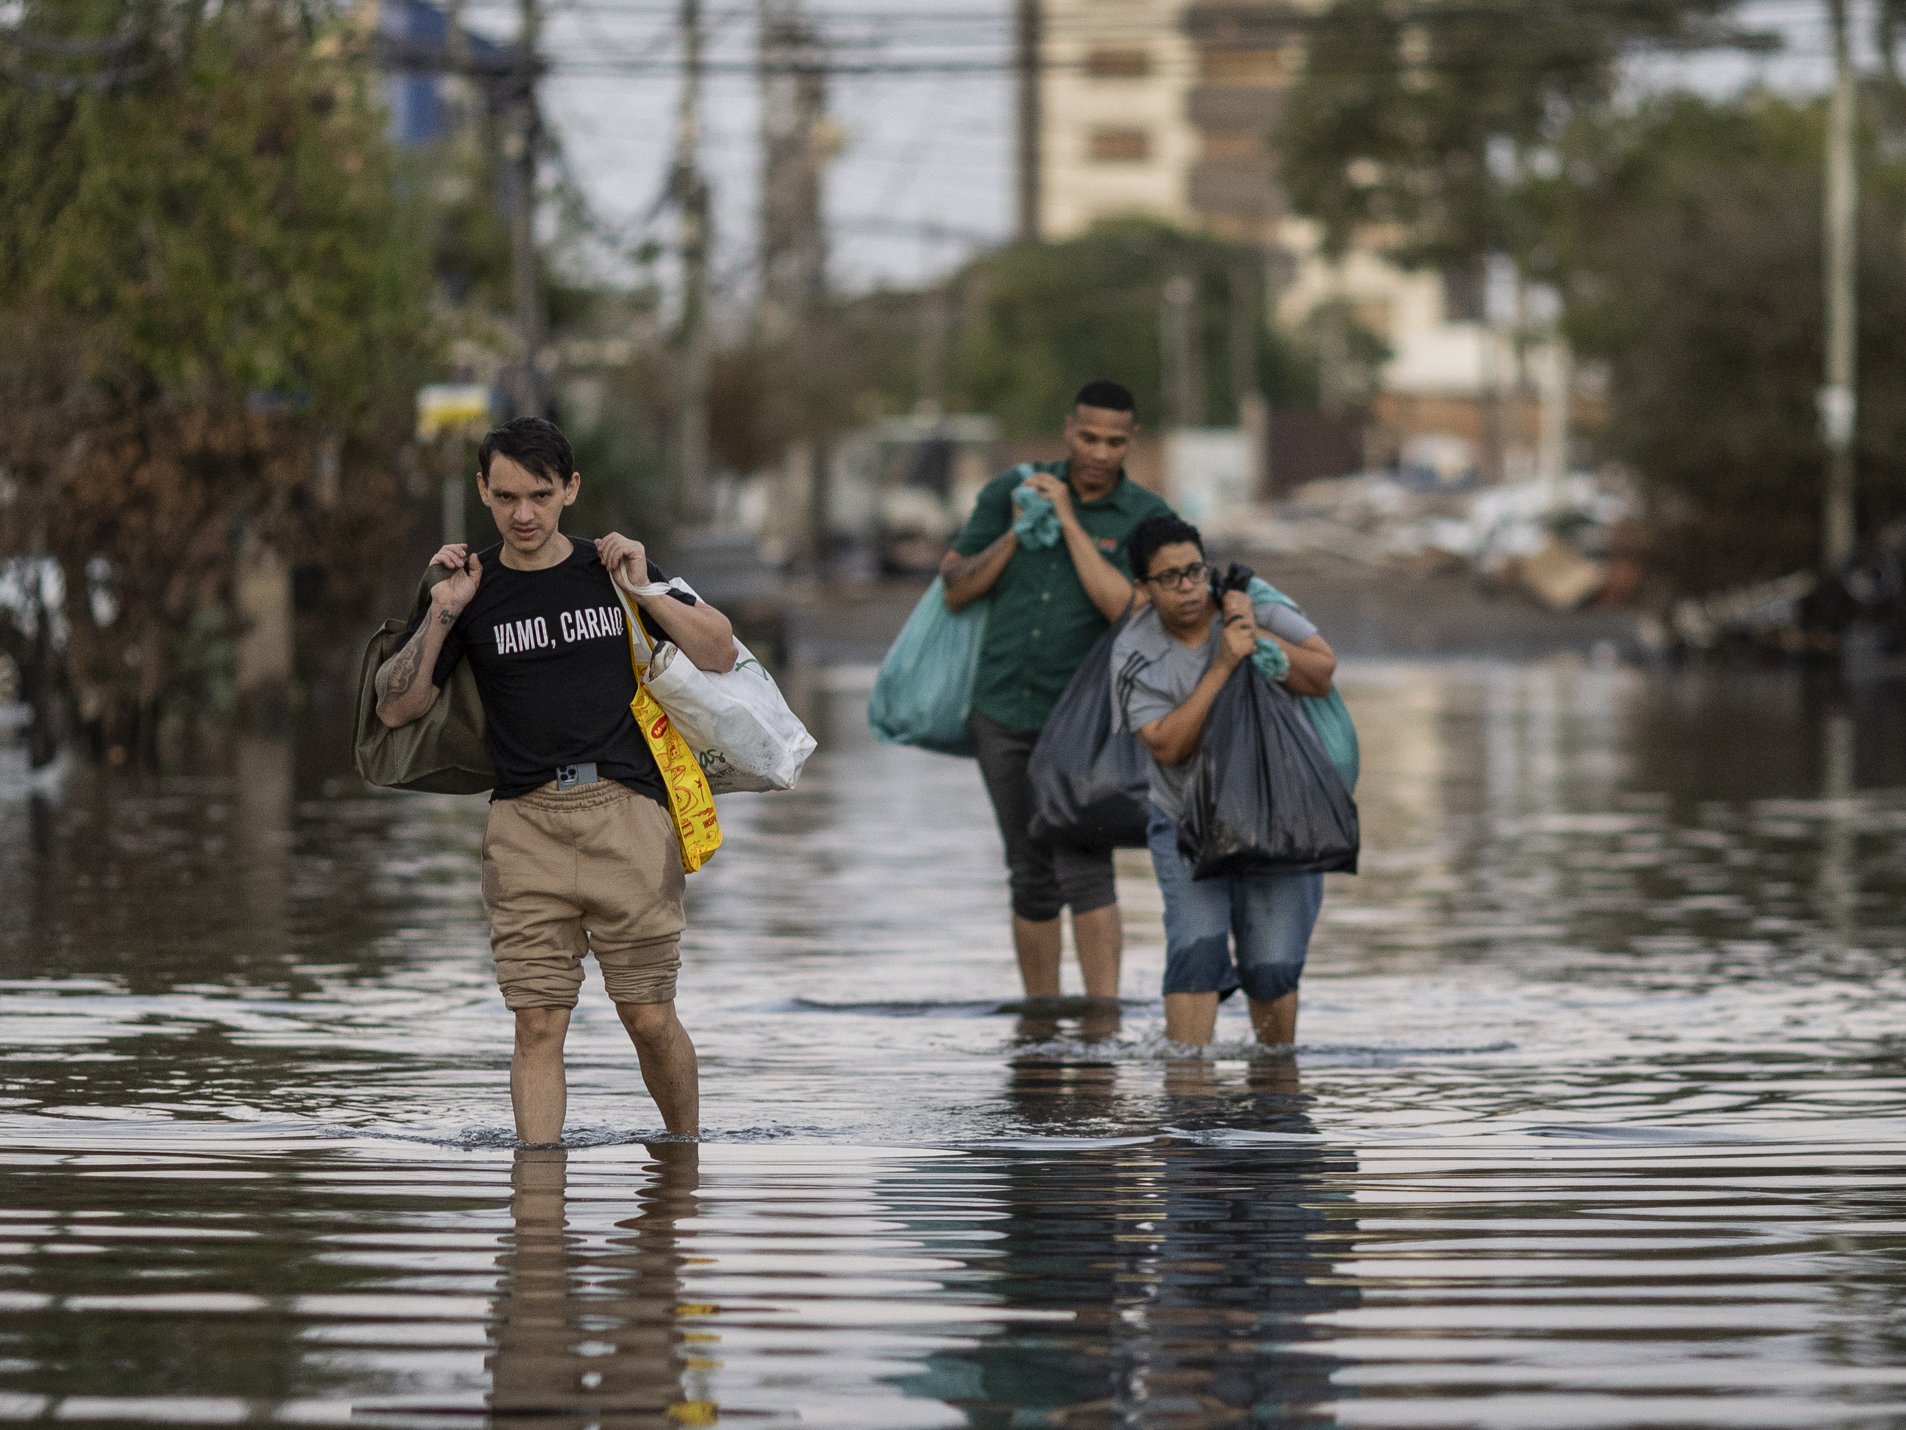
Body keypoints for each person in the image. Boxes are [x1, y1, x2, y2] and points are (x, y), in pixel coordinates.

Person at [373, 416, 737, 1142]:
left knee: (649, 1015)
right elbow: (396, 707)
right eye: (505, 496)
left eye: (539, 495)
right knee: (536, 1022)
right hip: (523, 825)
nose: (523, 514)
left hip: (627, 816)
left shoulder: (613, 568)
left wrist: (646, 591)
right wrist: (441, 614)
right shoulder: (468, 587)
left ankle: (684, 1162)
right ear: (482, 490)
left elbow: (721, 651)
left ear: (571, 489)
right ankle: (537, 1217)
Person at [940, 379, 1175, 1002]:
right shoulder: (1009, 491)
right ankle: (1040, 1025)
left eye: (1114, 442)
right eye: (1089, 437)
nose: (1099, 452)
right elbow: (956, 587)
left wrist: (1068, 520)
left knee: (1086, 865)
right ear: (1069, 429)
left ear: (1132, 442)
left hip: (1087, 721)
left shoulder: (1148, 517)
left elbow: (1128, 609)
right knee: (1029, 870)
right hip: (1002, 707)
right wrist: (1020, 529)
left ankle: (1104, 1023)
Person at [1112, 514, 1338, 1049]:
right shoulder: (1132, 653)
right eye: (1169, 578)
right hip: (1186, 823)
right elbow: (1167, 745)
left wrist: (1252, 634)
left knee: (1273, 968)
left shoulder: (1250, 602)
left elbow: (1323, 673)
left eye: (1194, 570)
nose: (1188, 586)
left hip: (1280, 819)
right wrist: (1222, 664)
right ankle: (1189, 1101)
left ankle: (1275, 1087)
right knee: (1195, 955)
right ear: (1143, 589)